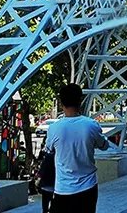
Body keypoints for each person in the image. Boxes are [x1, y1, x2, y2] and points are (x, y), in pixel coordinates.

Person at [45, 83, 112, 213]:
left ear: (61, 102)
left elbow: (49, 150)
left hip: (62, 189)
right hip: (88, 187)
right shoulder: (91, 125)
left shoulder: (54, 128)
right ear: (80, 101)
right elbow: (104, 146)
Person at [36, 147, 55, 212]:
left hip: (46, 184)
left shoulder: (48, 157)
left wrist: (38, 177)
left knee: (45, 204)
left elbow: (42, 169)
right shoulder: (59, 157)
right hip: (56, 185)